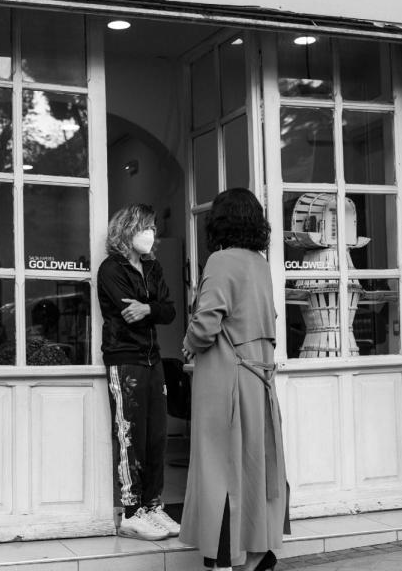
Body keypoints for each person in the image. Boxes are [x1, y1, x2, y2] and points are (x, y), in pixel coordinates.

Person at [180, 188, 288, 571]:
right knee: (253, 466)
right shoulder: (259, 263)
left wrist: (189, 342)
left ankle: (225, 557)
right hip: (259, 376)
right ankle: (258, 550)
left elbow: (207, 321)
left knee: (219, 468)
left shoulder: (221, 261)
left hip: (226, 378)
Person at [97, 203, 180, 541]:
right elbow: (128, 311)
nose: (151, 235)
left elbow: (169, 311)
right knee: (131, 435)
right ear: (127, 230)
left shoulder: (153, 267)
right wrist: (150, 308)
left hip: (152, 358)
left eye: (154, 229)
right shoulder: (111, 269)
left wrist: (148, 307)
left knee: (156, 435)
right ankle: (131, 512)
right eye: (145, 227)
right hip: (125, 357)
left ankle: (152, 505)